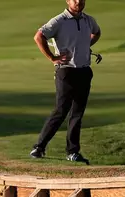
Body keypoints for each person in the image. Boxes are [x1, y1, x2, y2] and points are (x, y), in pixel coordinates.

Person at [30, 0, 101, 164]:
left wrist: (85, 45)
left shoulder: (88, 20)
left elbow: (96, 33)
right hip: (66, 71)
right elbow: (39, 36)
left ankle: (73, 152)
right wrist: (52, 58)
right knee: (61, 110)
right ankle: (39, 147)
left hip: (84, 71)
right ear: (68, 1)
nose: (78, 2)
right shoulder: (59, 20)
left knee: (77, 113)